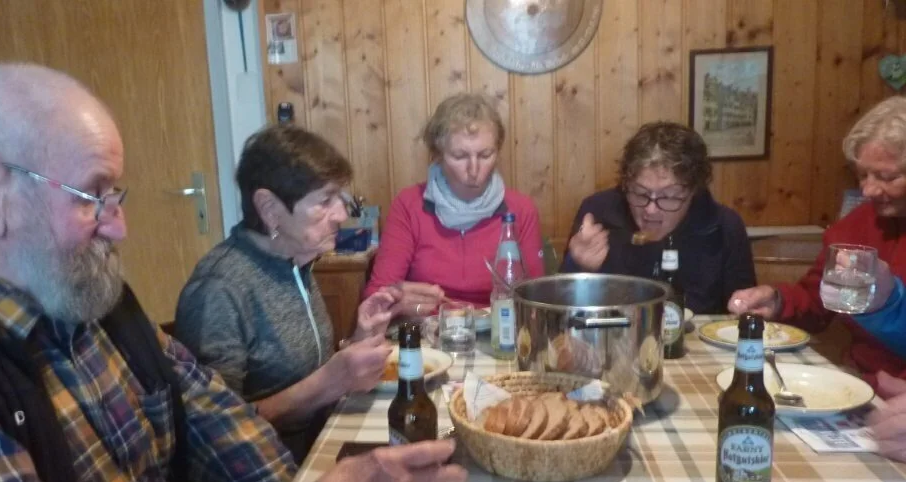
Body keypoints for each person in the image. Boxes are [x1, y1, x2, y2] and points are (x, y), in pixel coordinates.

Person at [0, 64, 466, 482]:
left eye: (117, 196)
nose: (118, 227)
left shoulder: (88, 298)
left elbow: (222, 421)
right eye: (92, 196)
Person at [174, 124, 399, 464]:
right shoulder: (219, 289)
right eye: (325, 200)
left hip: (318, 451)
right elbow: (213, 433)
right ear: (268, 207)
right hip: (266, 480)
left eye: (340, 197)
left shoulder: (295, 261)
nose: (341, 215)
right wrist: (330, 382)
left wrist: (360, 338)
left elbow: (307, 371)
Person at [730, 96, 906, 387]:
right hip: (861, 383)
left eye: (886, 177)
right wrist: (777, 301)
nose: (869, 189)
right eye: (862, 175)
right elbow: (817, 301)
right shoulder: (853, 226)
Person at [364, 92, 544, 315]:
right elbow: (375, 297)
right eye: (459, 156)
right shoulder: (409, 205)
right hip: (428, 333)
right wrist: (400, 301)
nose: (474, 170)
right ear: (438, 155)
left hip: (499, 332)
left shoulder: (521, 209)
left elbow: (537, 299)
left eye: (486, 155)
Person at [561, 121, 755, 313]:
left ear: (693, 191)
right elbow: (560, 313)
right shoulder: (598, 213)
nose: (651, 210)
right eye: (639, 193)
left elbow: (745, 317)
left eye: (669, 196)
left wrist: (744, 305)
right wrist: (577, 266)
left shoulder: (724, 226)